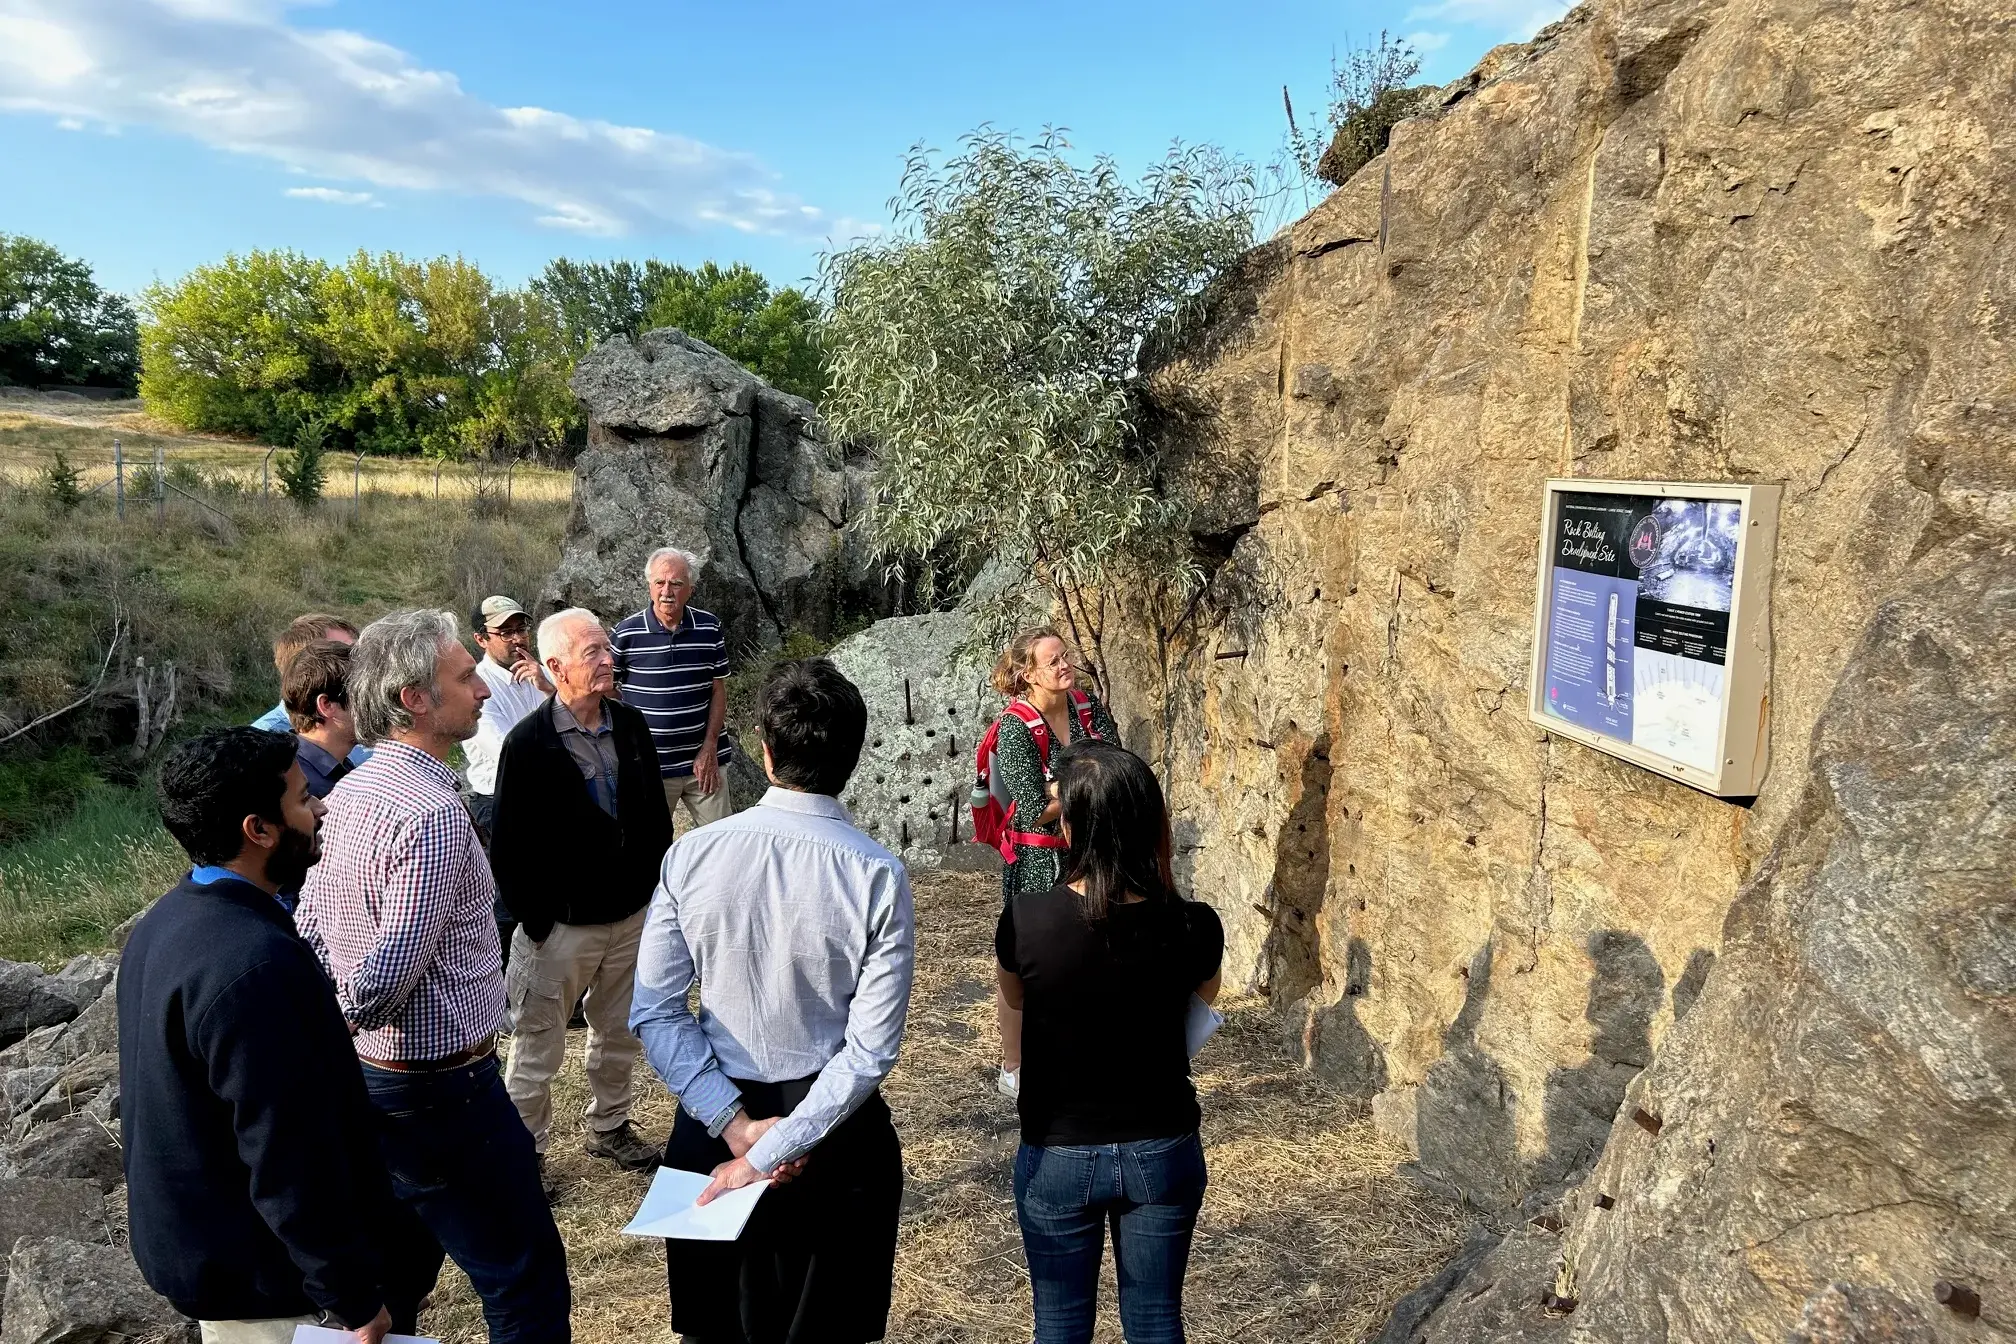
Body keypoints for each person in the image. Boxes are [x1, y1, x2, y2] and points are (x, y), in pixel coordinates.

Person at [296, 609, 571, 1344]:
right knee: (526, 1283)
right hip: (441, 1089)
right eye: (462, 677)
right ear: (414, 698)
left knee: (398, 1279)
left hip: (377, 1082)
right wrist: (344, 1021)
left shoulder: (347, 792)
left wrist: (336, 1038)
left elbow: (311, 932)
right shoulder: (432, 816)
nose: (482, 690)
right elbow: (387, 976)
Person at [631, 658, 914, 1344]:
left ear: (763, 747)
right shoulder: (877, 873)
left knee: (715, 1330)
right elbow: (869, 1048)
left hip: (712, 1124)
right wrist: (771, 1145)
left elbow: (656, 1009)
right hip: (833, 1129)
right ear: (854, 755)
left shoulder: (692, 855)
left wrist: (736, 1131)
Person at [119, 727, 394, 1344]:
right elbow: (285, 1152)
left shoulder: (167, 920)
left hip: (218, 1255)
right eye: (302, 799)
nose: (321, 806)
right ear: (259, 830)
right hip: (267, 1289)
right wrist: (350, 1298)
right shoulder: (253, 964)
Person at [995, 740, 1223, 1344]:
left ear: (1071, 826)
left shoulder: (1027, 917)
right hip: (1163, 1143)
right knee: (1154, 1320)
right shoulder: (1195, 923)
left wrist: (1016, 1062)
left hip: (1057, 1149)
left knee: (1061, 1324)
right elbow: (1203, 1000)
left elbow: (1014, 1002)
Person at [492, 608, 672, 1176]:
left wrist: (653, 893)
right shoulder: (527, 745)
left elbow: (653, 819)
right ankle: (526, 1155)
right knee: (536, 1046)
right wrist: (538, 921)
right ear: (555, 667)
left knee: (620, 1031)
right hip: (561, 929)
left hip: (630, 919)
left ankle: (611, 1126)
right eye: (592, 652)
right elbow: (510, 847)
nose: (607, 660)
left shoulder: (631, 724)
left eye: (606, 650)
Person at [987, 626, 1118, 1098]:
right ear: (1028, 673)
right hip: (1038, 860)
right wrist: (1089, 784)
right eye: (1053, 661)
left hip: (1092, 853)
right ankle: (1015, 1064)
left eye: (1065, 656)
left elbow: (1116, 763)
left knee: (1091, 950)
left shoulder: (1087, 706)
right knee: (1024, 960)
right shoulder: (1015, 727)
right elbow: (1032, 807)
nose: (1065, 666)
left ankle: (1080, 1050)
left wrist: (1068, 788)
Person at [610, 547, 733, 829]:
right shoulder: (626, 633)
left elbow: (717, 689)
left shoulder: (709, 627)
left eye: (676, 584)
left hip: (704, 764)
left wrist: (710, 747)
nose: (667, 591)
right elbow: (607, 688)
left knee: (722, 842)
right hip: (650, 768)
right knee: (649, 849)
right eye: (660, 583)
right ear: (649, 586)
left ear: (690, 588)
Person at [463, 595, 552, 965]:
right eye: (505, 632)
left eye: (521, 629)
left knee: (549, 888)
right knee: (506, 896)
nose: (517, 639)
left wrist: (550, 688)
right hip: (498, 801)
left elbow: (580, 723)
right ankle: (500, 986)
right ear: (481, 639)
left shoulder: (537, 674)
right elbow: (505, 749)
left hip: (545, 795)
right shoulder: (478, 686)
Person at [253, 613, 369, 767]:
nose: (363, 663)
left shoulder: (362, 722)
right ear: (307, 665)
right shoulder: (260, 748)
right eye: (344, 653)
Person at [283, 639, 357, 799]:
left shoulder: (341, 764)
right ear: (327, 705)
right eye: (364, 698)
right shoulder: (295, 784)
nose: (376, 707)